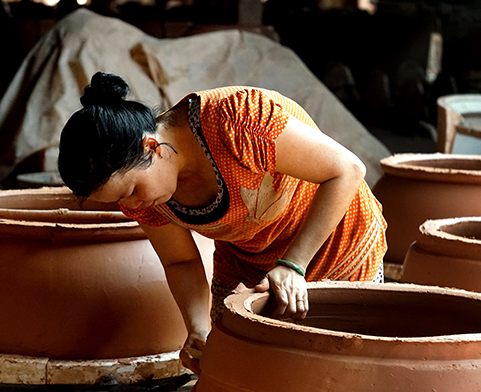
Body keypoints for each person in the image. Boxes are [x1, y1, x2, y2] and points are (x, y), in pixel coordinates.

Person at [58, 72, 387, 373]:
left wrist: (293, 265)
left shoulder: (237, 121)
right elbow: (181, 260)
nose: (132, 205)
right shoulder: (146, 198)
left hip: (336, 242)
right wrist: (198, 328)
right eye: (119, 200)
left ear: (152, 147)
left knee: (336, 372)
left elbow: (346, 169)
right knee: (235, 369)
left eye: (131, 190)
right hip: (250, 261)